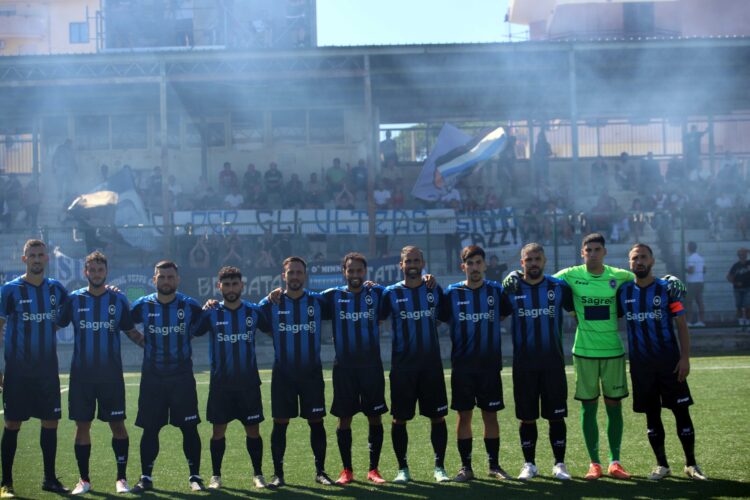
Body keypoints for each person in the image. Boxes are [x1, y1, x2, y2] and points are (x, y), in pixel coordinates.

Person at [504, 233, 685, 480]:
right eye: (588, 250)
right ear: (582, 253)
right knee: (588, 408)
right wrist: (515, 273)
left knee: (614, 407)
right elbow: (539, 280)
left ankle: (615, 462)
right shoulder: (569, 275)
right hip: (584, 352)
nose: (592, 254)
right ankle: (594, 463)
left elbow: (644, 278)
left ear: (604, 252)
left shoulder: (619, 276)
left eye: (597, 249)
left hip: (613, 352)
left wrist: (670, 279)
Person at [56, 251, 145, 495]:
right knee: (82, 426)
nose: (96, 274)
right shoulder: (74, 300)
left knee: (118, 425)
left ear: (106, 272)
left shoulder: (118, 300)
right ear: (85, 272)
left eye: (100, 270)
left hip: (111, 376)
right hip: (81, 377)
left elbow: (132, 333)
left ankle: (121, 479)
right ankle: (84, 480)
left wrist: (157, 348)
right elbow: (53, 326)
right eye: (92, 270)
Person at [618, 243, 707, 481]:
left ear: (652, 260)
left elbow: (681, 325)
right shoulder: (623, 292)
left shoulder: (667, 290)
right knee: (652, 416)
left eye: (643, 257)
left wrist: (685, 358)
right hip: (641, 366)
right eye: (635, 258)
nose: (639, 262)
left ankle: (691, 464)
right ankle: (662, 465)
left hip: (670, 364)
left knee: (681, 412)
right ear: (629, 263)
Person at [0, 240, 70, 497]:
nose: (37, 259)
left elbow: (69, 310)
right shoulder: (10, 290)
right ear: (24, 259)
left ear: (47, 258)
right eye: (32, 255)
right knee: (12, 423)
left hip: (47, 371)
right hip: (17, 371)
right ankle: (6, 483)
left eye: (41, 255)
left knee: (50, 422)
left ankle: (49, 479)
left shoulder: (56, 289)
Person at [129, 261, 205, 493]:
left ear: (177, 279)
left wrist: (185, 338)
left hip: (182, 378)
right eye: (161, 277)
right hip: (153, 378)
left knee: (189, 428)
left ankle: (195, 477)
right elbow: (125, 322)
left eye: (170, 277)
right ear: (154, 280)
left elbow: (201, 325)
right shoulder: (142, 305)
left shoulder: (189, 305)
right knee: (150, 429)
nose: (166, 281)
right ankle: (146, 477)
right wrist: (140, 340)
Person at [258, 257, 334, 487]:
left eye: (299, 272)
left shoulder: (318, 301)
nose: (295, 276)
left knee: (316, 421)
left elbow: (346, 295)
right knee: (280, 422)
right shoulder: (271, 303)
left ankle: (321, 472)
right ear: (284, 276)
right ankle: (278, 474)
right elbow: (257, 319)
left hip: (311, 373)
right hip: (283, 374)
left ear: (305, 275)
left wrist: (370, 285)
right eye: (291, 273)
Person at [501, 243, 574, 481]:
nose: (533, 263)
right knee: (527, 417)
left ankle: (559, 464)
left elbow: (578, 312)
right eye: (529, 260)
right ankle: (529, 464)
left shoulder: (558, 287)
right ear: (522, 263)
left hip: (553, 363)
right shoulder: (511, 289)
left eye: (537, 259)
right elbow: (497, 315)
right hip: (524, 365)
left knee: (556, 416)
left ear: (544, 261)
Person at [193, 267, 270, 490]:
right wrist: (203, 308)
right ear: (219, 287)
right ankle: (216, 476)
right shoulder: (211, 313)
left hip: (248, 384)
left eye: (235, 284)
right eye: (226, 285)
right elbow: (194, 331)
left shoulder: (253, 312)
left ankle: (258, 474)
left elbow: (271, 329)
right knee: (218, 432)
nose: (231, 288)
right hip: (221, 386)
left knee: (253, 431)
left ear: (242, 285)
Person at [439, 245, 511, 482]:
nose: (474, 267)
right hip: (463, 367)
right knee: (464, 417)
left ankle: (494, 465)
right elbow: (441, 319)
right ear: (463, 267)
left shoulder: (496, 291)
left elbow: (503, 314)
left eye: (478, 262)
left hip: (490, 366)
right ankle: (466, 467)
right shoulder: (452, 293)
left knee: (491, 416)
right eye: (470, 263)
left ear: (485, 265)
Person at [380, 246, 449, 483]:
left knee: (437, 417)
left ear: (423, 263)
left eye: (416, 260)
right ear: (401, 265)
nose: (412, 264)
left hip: (431, 366)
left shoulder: (434, 289)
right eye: (408, 261)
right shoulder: (390, 293)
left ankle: (440, 467)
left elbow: (441, 317)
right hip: (403, 368)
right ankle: (403, 469)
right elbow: (379, 318)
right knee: (399, 419)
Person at [321, 253, 389, 485]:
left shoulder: (377, 293)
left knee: (375, 417)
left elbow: (400, 293)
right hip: (344, 368)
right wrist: (276, 293)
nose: (355, 274)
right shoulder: (332, 296)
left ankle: (374, 469)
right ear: (344, 272)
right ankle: (347, 470)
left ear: (365, 272)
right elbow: (304, 298)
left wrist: (428, 278)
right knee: (344, 418)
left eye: (359, 270)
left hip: (371, 367)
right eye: (351, 270)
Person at [727, 248, 750, 332]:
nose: (742, 256)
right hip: (738, 289)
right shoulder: (736, 266)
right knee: (739, 306)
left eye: (744, 254)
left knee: (748, 306)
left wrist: (747, 250)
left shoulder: (749, 263)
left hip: (748, 288)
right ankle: (741, 325)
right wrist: (735, 283)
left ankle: (747, 324)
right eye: (740, 255)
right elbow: (729, 277)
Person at [685, 241, 706, 327]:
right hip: (700, 281)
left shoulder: (691, 258)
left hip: (692, 282)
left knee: (689, 302)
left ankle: (689, 321)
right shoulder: (701, 258)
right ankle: (701, 321)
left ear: (689, 248)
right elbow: (704, 270)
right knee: (699, 301)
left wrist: (685, 269)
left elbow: (691, 270)